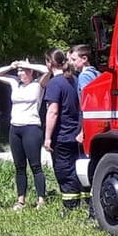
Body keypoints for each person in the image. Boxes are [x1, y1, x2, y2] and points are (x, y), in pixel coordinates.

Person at [0, 59, 49, 209]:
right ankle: (21, 200)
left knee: (35, 165)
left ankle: (41, 199)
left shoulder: (38, 84)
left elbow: (46, 70)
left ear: (31, 72)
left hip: (31, 127)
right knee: (19, 166)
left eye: (23, 71)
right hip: (15, 128)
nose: (20, 74)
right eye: (19, 72)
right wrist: (12, 66)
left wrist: (27, 65)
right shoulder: (14, 83)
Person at [43, 47, 86, 214]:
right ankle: (86, 203)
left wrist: (47, 137)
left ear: (49, 63)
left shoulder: (54, 83)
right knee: (78, 168)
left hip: (62, 135)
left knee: (64, 170)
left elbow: (52, 112)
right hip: (77, 133)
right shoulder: (74, 79)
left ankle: (70, 208)